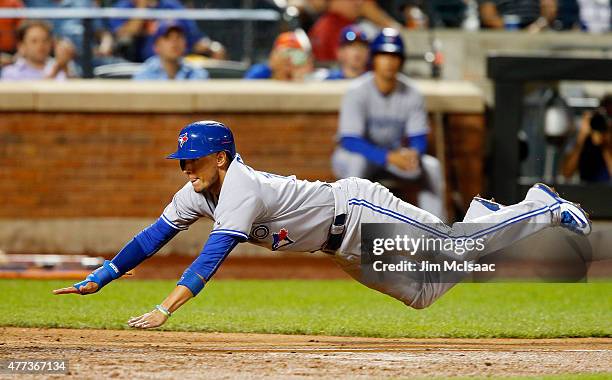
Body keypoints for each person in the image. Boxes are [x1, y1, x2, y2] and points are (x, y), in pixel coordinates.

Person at [52, 120, 591, 328]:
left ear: (221, 158)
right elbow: (153, 238)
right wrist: (102, 277)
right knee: (427, 293)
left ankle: (540, 204)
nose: (184, 166)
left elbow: (210, 258)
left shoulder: (238, 185)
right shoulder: (199, 190)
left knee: (452, 249)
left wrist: (163, 309)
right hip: (339, 248)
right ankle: (485, 217)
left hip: (357, 210)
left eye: (191, 159)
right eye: (182, 160)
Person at [331, 28, 446, 219]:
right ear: (374, 58)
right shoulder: (357, 90)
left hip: (394, 156)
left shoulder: (412, 92)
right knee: (356, 163)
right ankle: (346, 225)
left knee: (431, 166)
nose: (389, 61)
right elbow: (350, 140)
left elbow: (418, 137)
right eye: (383, 55)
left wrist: (414, 153)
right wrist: (388, 157)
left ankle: (435, 233)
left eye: (394, 56)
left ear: (401, 60)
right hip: (357, 156)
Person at [109, 0, 221, 62]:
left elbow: (194, 38)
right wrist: (142, 7)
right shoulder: (122, 8)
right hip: (137, 66)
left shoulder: (171, 5)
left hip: (177, 63)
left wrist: (213, 47)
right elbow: (124, 37)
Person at [1, 19, 76, 80]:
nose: (40, 45)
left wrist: (65, 68)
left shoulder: (65, 67)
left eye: (45, 40)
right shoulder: (10, 73)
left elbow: (77, 95)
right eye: (34, 41)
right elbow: (32, 97)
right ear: (21, 46)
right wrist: (56, 70)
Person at [132, 22, 208, 81]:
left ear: (185, 44)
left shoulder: (197, 74)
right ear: (156, 46)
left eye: (179, 36)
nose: (174, 41)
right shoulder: (144, 75)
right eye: (167, 37)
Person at [562, 95, 612, 182]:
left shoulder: (608, 141)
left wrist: (605, 146)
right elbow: (566, 174)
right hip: (587, 192)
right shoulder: (585, 139)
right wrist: (581, 138)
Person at [243, 31, 313, 81]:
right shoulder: (260, 72)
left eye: (297, 55)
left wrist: (298, 78)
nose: (289, 59)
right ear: (273, 56)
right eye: (284, 53)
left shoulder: (314, 78)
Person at [478, 0, 558, 31]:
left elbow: (550, 8)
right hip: (504, 31)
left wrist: (539, 25)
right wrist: (516, 31)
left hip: (537, 29)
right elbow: (488, 17)